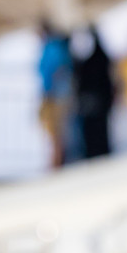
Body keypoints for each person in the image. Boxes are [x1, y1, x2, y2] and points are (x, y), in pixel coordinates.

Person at [37, 21, 74, 167]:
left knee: (56, 129)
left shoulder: (53, 48)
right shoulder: (50, 48)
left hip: (54, 94)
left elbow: (57, 71)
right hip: (52, 93)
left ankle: (58, 159)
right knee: (53, 129)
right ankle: (56, 158)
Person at [74, 27, 115, 160]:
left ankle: (96, 152)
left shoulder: (94, 60)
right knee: (95, 129)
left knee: (96, 129)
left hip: (95, 99)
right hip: (95, 100)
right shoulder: (99, 59)